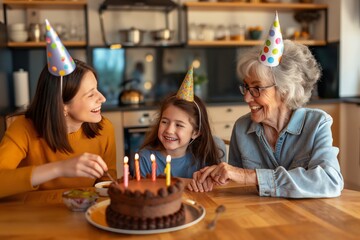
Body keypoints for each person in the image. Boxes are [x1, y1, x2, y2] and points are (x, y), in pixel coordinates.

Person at [188, 12, 343, 198]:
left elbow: (330, 181)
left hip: (306, 220)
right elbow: (238, 185)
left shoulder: (317, 124)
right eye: (246, 87)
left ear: (285, 90)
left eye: (257, 88)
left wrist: (251, 177)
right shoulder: (241, 128)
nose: (246, 98)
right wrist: (218, 178)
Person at [0, 20, 116, 198]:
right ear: (62, 106)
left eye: (97, 89)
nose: (103, 98)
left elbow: (108, 182)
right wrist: (60, 168)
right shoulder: (23, 128)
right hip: (30, 218)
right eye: (91, 94)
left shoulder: (104, 128)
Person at [136, 67, 226, 183]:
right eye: (164, 122)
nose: (169, 130)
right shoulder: (145, 158)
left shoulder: (204, 159)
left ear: (196, 132)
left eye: (179, 125)